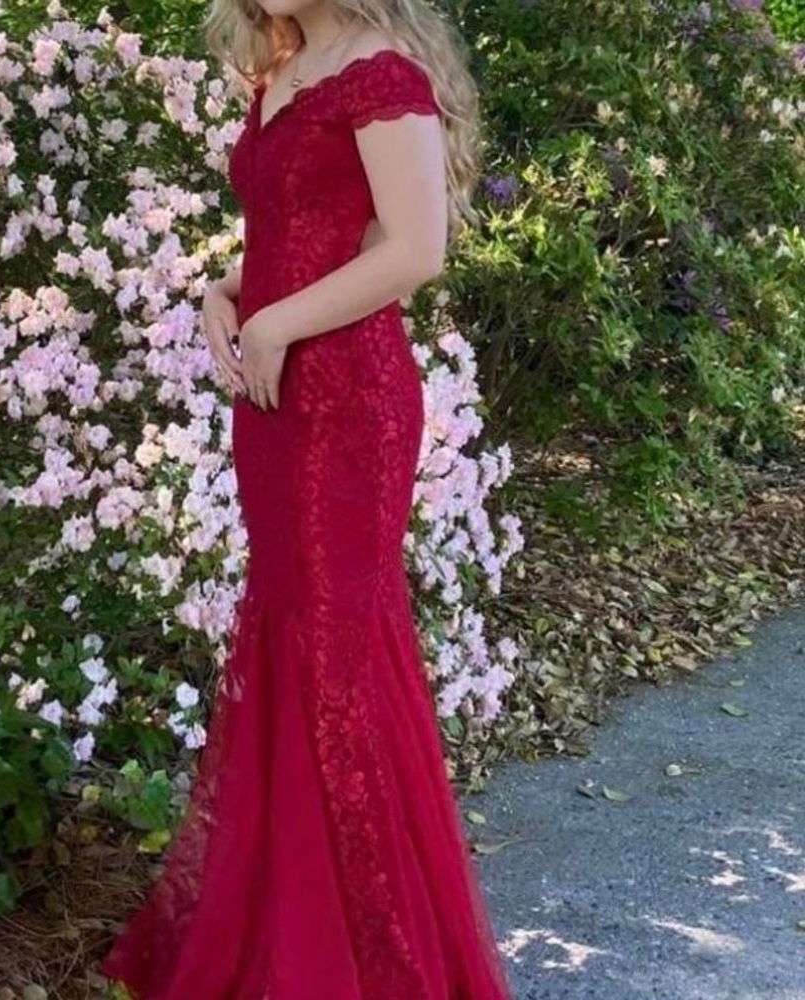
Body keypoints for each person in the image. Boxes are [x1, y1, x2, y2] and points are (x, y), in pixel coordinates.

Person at [98, 1, 515, 997]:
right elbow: (302, 230)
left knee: (339, 665)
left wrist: (277, 322)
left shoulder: (382, 72)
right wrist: (228, 291)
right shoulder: (283, 64)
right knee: (291, 647)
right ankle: (287, 935)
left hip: (349, 407)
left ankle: (378, 960)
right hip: (276, 404)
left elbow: (414, 248)